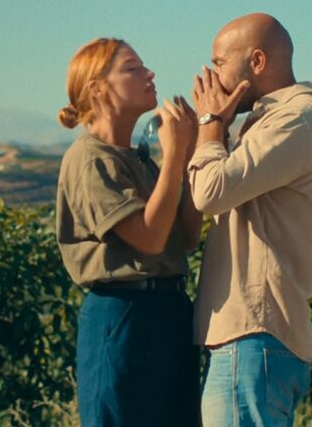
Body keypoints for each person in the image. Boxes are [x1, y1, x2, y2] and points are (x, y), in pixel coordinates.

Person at [187, 13, 312, 426]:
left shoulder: (296, 120)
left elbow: (210, 191)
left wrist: (209, 123)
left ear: (256, 61)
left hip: (252, 337)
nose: (211, 78)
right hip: (252, 341)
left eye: (219, 63)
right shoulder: (273, 120)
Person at [55, 37, 202, 426]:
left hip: (168, 311)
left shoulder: (140, 161)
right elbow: (149, 239)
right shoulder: (90, 160)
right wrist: (174, 156)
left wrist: (188, 156)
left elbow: (188, 237)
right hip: (123, 315)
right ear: (97, 89)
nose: (149, 74)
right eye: (133, 68)